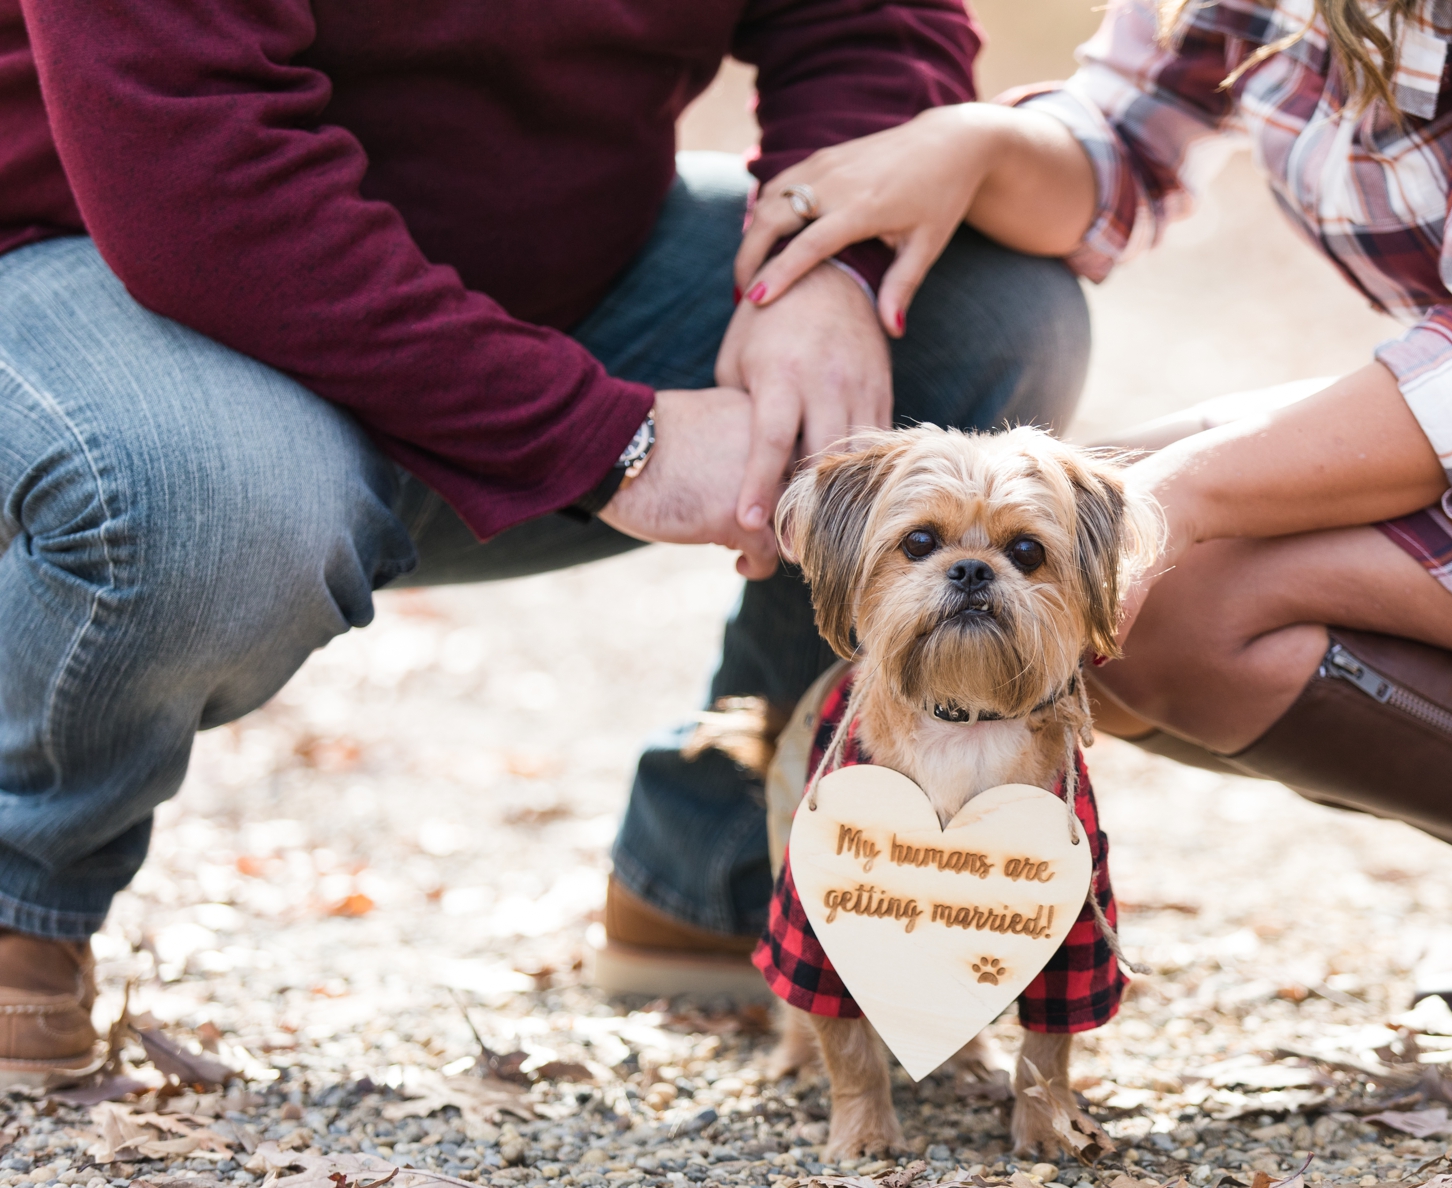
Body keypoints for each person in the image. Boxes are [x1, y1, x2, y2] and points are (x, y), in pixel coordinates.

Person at [0, 0, 1092, 1080]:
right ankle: (17, 895)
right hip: (99, 261)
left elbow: (864, 15)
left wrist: (824, 263)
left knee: (982, 309)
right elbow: (192, 179)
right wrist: (607, 438)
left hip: (557, 285)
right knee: (190, 495)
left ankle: (733, 877)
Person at [734, 0, 1452, 1091]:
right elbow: (1121, 135)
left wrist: (1178, 501)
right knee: (1052, 532)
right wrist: (972, 144)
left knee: (1125, 590)